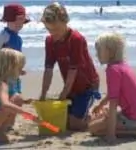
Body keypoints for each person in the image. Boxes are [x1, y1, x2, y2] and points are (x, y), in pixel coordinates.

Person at [40, 2, 101, 131]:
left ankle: (99, 116)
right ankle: (83, 113)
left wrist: (64, 93)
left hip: (87, 86)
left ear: (65, 22)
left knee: (75, 125)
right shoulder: (50, 41)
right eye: (49, 29)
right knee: (62, 122)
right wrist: (43, 94)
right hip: (71, 87)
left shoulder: (76, 39)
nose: (53, 33)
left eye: (56, 29)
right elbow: (48, 69)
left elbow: (73, 70)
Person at [89, 32, 136, 143]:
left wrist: (110, 134)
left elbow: (114, 102)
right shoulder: (123, 66)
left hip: (133, 118)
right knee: (96, 119)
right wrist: (100, 105)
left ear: (110, 52)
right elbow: (113, 93)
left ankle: (134, 132)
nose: (96, 55)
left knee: (93, 129)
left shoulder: (113, 70)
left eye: (99, 51)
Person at [0, 4, 30, 128]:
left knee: (16, 96)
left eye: (22, 21)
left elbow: (16, 57)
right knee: (6, 97)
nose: (19, 24)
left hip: (14, 74)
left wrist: (19, 69)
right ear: (8, 20)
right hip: (4, 75)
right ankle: (3, 122)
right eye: (16, 20)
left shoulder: (18, 38)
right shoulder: (3, 36)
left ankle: (10, 123)